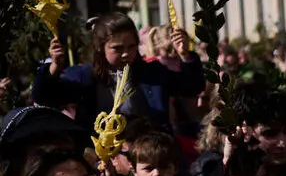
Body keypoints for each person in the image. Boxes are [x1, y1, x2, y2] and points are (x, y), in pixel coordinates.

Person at [32, 13, 203, 132]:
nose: (126, 54)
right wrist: (54, 67)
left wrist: (185, 55)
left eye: (131, 47)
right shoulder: (84, 76)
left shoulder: (152, 72)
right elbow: (45, 97)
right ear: (101, 47)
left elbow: (192, 86)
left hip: (149, 154)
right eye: (118, 48)